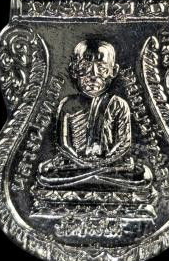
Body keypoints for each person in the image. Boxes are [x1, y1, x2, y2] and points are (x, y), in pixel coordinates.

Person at [36, 40, 152, 191]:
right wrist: (81, 161)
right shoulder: (67, 104)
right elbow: (64, 145)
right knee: (45, 172)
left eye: (102, 68)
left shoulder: (119, 104)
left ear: (113, 71)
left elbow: (123, 143)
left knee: (140, 173)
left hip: (109, 166)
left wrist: (104, 161)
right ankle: (94, 179)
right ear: (74, 70)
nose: (93, 75)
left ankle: (88, 180)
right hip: (76, 165)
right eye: (85, 67)